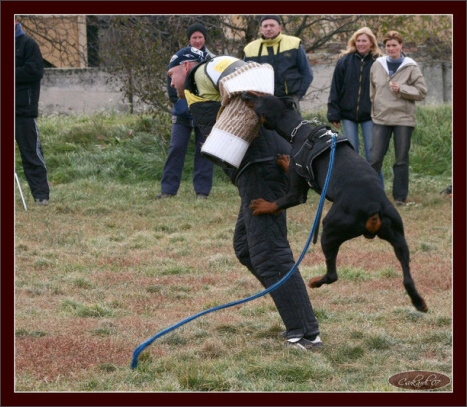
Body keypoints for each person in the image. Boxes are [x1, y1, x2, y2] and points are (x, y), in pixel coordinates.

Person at [168, 46, 322, 350]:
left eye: (171, 74)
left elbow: (250, 71)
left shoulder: (202, 71)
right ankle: (301, 323)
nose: (172, 82)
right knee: (247, 249)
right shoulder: (201, 83)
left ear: (185, 65)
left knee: (269, 253)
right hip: (255, 170)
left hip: (263, 167)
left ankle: (305, 333)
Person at [156, 23, 214, 199]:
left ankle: (202, 192)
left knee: (204, 150)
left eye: (200, 37)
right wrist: (186, 107)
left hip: (203, 115)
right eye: (194, 37)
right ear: (189, 39)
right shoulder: (178, 59)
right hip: (182, 114)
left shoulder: (211, 60)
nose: (197, 40)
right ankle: (168, 190)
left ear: (204, 39)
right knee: (176, 148)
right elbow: (173, 89)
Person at [369, 30, 427, 206]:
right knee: (375, 159)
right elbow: (372, 91)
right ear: (384, 47)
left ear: (401, 46)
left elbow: (422, 92)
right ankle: (369, 194)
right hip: (381, 118)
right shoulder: (377, 65)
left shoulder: (411, 66)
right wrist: (376, 108)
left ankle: (400, 197)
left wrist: (402, 88)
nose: (391, 48)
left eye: (394, 45)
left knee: (401, 159)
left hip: (403, 119)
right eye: (388, 45)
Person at [327, 27, 383, 163]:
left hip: (370, 114)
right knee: (351, 153)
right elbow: (335, 87)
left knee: (372, 155)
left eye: (364, 41)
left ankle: (376, 184)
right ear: (354, 42)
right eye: (358, 41)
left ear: (371, 43)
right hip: (348, 115)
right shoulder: (344, 61)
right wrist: (333, 112)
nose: (361, 44)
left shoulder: (379, 62)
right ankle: (354, 183)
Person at [243, 15, 313, 112]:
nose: (268, 28)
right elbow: (244, 77)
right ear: (261, 29)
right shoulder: (250, 48)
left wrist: (297, 97)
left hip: (288, 101)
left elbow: (307, 73)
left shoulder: (294, 43)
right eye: (265, 26)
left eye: (272, 25)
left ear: (279, 28)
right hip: (261, 102)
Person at [15, 18, 50, 206]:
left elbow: (35, 70)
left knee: (31, 155)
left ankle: (41, 196)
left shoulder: (28, 44)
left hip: (22, 111)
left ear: (16, 20)